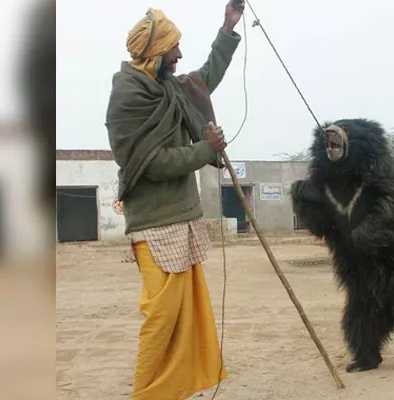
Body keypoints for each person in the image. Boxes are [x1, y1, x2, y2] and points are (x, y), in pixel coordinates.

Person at [104, 2, 244, 399]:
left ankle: (173, 390)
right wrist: (205, 149)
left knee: (185, 318)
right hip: (152, 223)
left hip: (182, 218)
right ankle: (146, 394)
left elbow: (207, 77)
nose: (180, 56)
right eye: (173, 49)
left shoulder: (172, 89)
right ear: (154, 53)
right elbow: (154, 164)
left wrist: (228, 28)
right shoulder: (127, 101)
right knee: (161, 317)